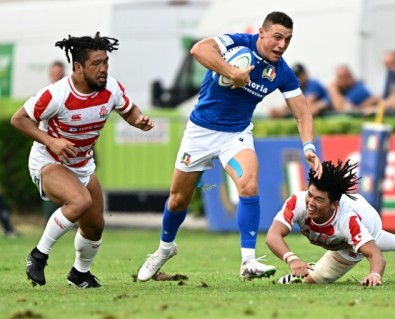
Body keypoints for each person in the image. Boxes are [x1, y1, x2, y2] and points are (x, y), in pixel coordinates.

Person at [137, 11, 321, 282]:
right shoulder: (237, 43)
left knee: (248, 184)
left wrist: (309, 147)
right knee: (178, 199)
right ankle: (165, 249)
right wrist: (233, 72)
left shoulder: (281, 72)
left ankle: (248, 260)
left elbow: (302, 113)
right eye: (277, 37)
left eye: (288, 40)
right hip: (200, 133)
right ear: (262, 33)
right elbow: (199, 49)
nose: (282, 45)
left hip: (236, 135)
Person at [10, 32, 154, 288]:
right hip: (48, 160)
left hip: (83, 165)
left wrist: (139, 121)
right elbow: (18, 119)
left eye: (106, 62)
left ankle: (79, 274)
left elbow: (129, 110)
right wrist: (51, 141)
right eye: (96, 64)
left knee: (95, 225)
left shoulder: (111, 88)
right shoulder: (56, 94)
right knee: (80, 201)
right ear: (78, 67)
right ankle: (38, 255)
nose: (103, 69)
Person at [266, 160, 395, 286]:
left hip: (366, 221)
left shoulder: (348, 221)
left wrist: (374, 275)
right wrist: (292, 259)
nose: (310, 202)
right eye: (310, 194)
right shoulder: (298, 202)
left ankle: (310, 271)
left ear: (333, 204)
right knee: (368, 241)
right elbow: (272, 236)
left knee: (316, 279)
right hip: (350, 223)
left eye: (319, 199)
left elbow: (376, 256)